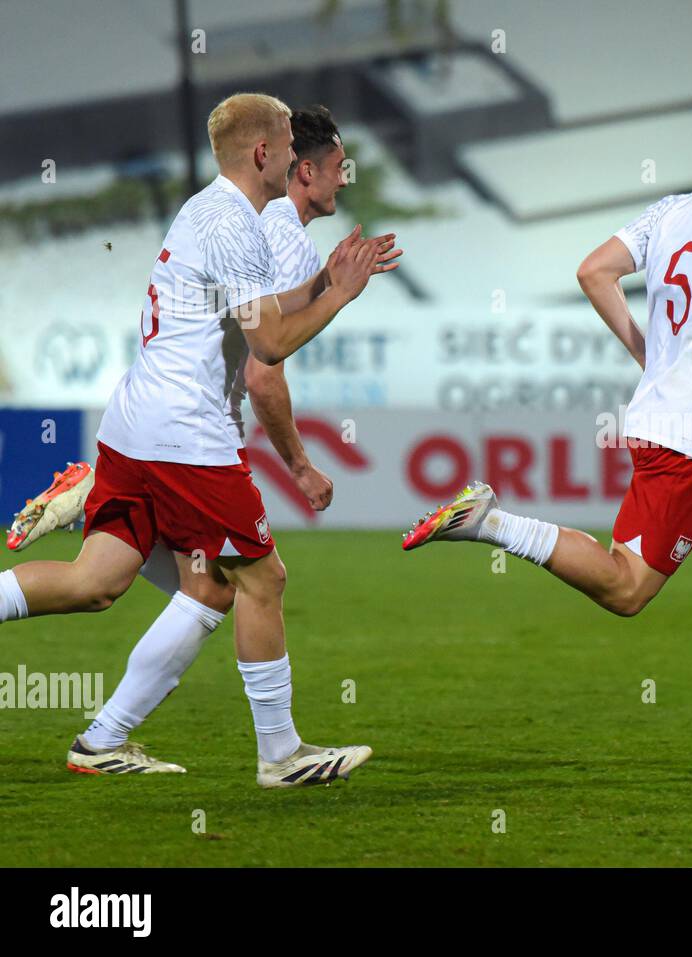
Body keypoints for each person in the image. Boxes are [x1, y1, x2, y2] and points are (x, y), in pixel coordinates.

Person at [401, 149, 692, 775]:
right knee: (626, 588)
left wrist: (648, 352)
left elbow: (595, 271)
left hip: (686, 429)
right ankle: (491, 522)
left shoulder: (684, 206)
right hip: (690, 439)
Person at [0, 94, 398, 788]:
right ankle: (281, 754)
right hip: (187, 436)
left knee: (112, 582)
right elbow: (266, 347)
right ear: (267, 155)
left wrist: (322, 281)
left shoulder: (210, 210)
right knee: (261, 578)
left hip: (135, 425)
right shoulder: (242, 224)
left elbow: (257, 315)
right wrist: (341, 295)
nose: (322, 168)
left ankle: (102, 739)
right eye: (287, 142)